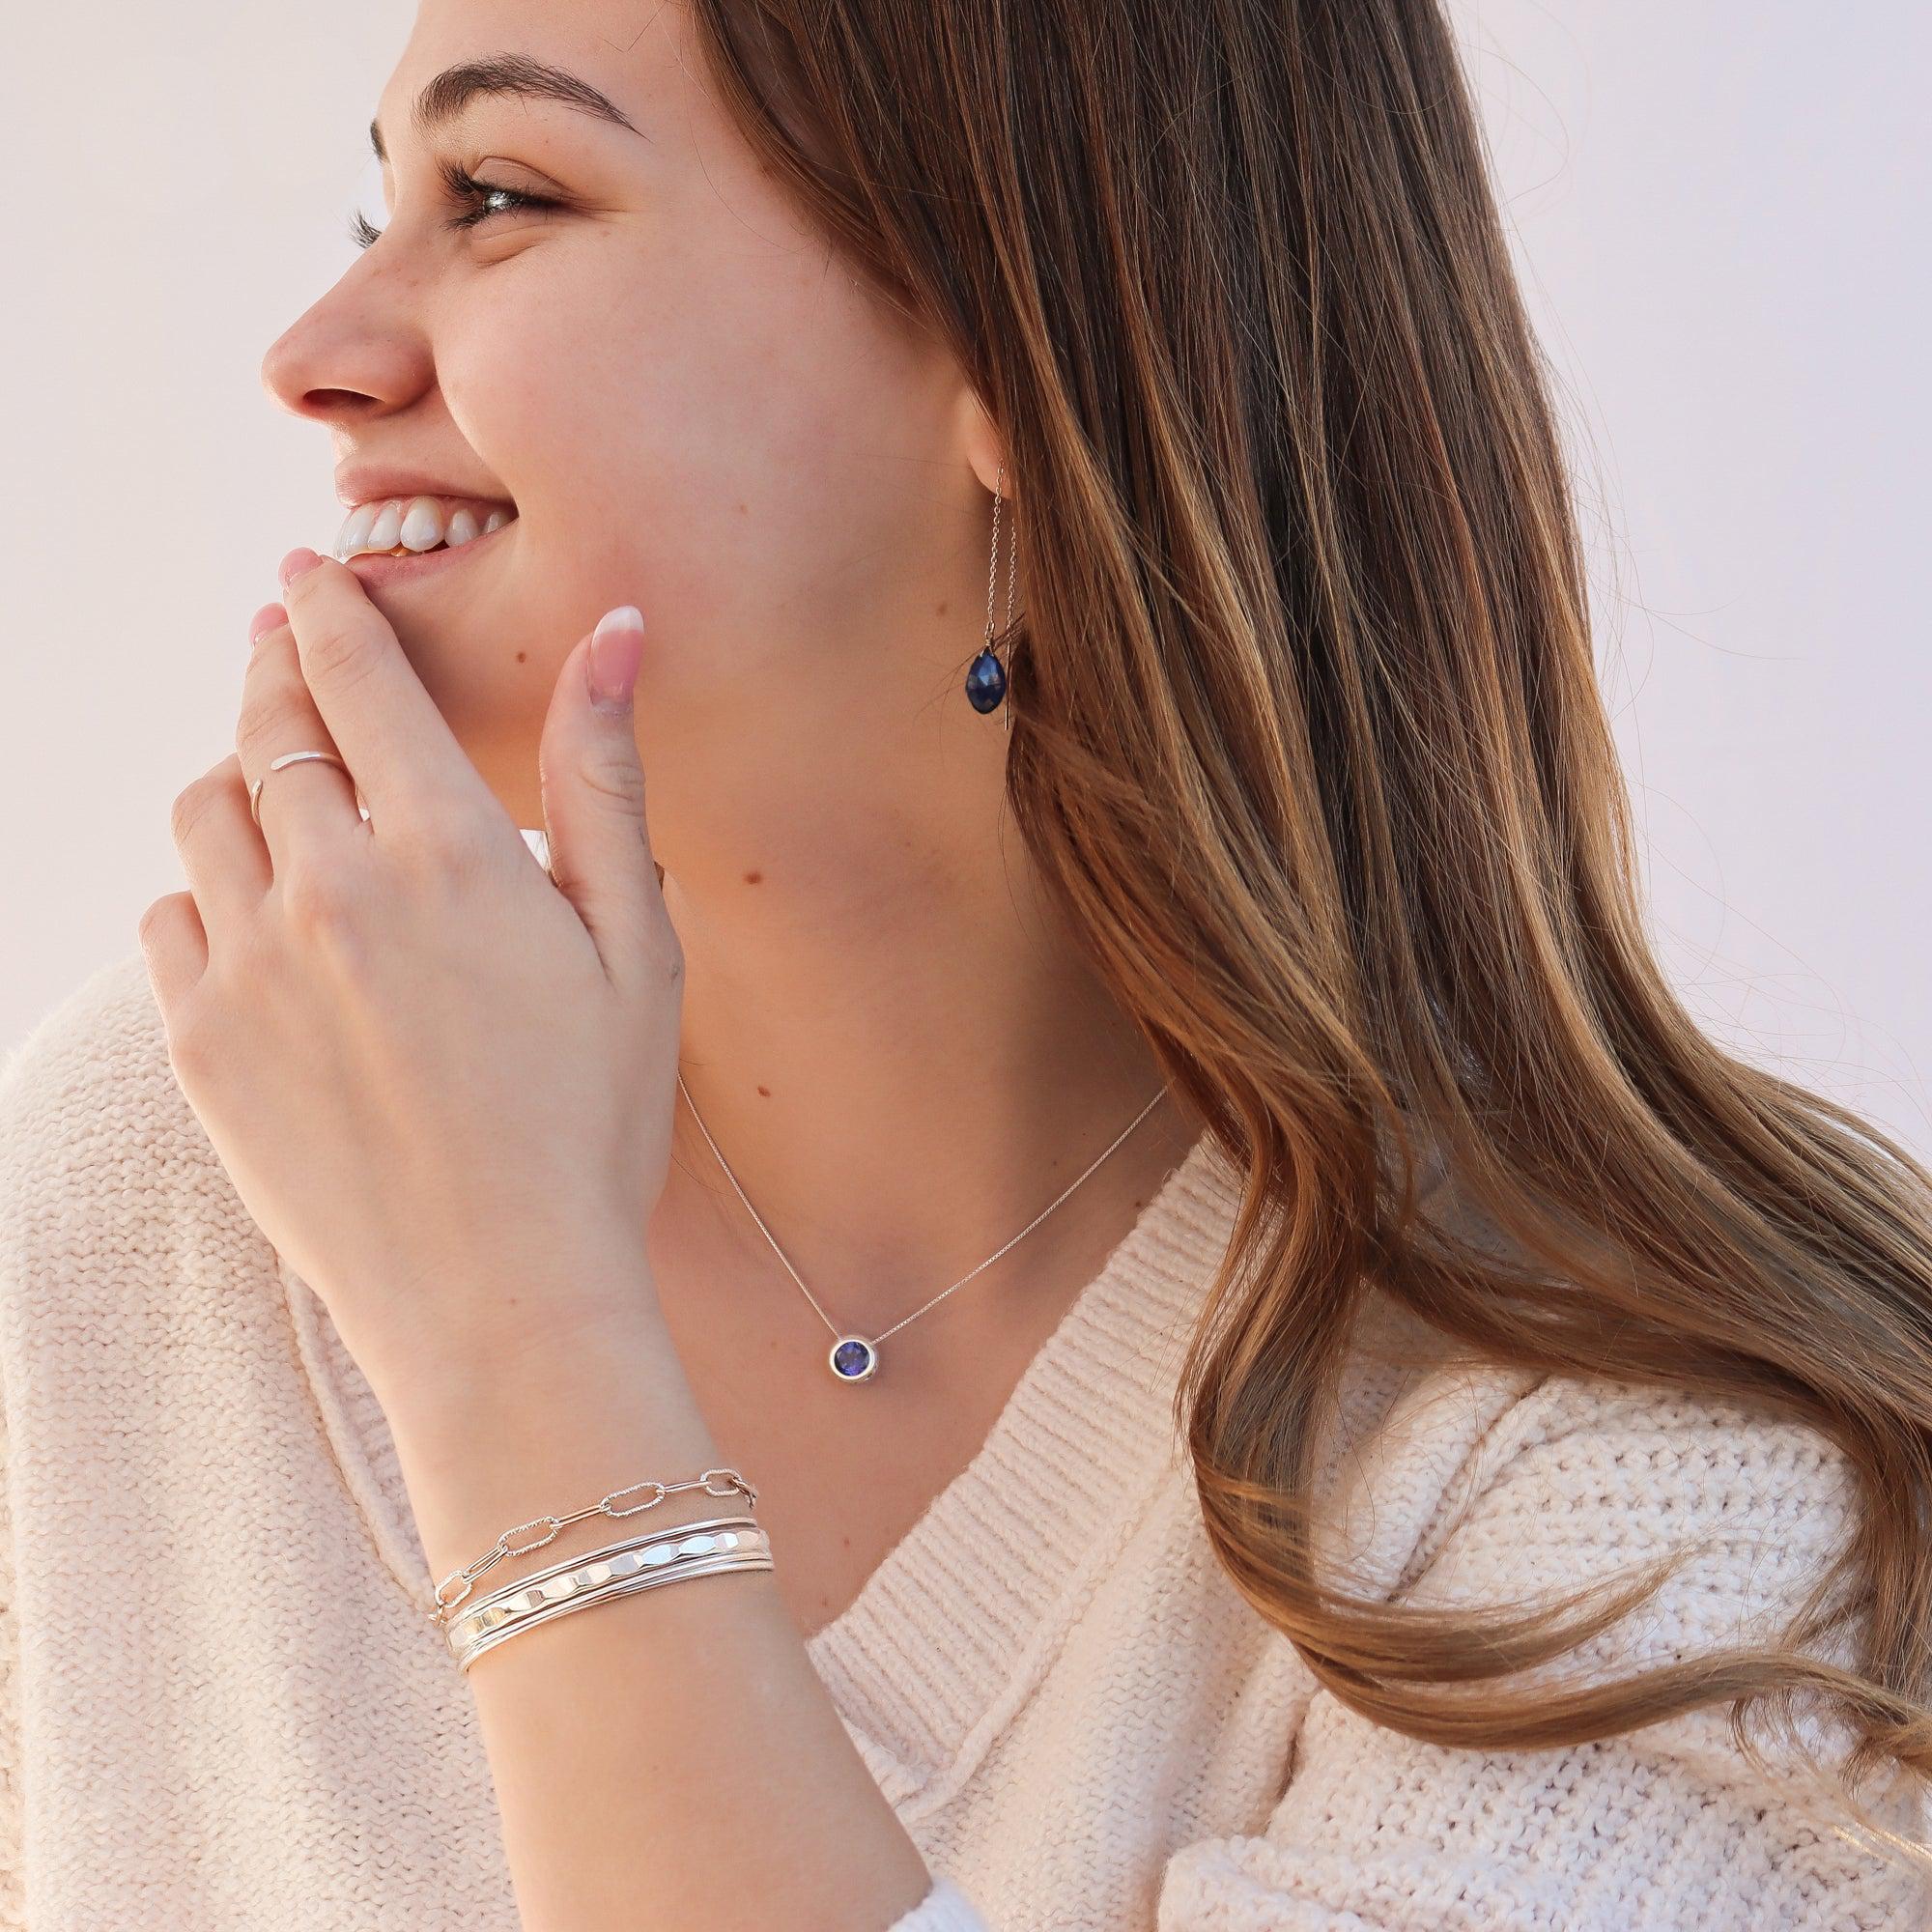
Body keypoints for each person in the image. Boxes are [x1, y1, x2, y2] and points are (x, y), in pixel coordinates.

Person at [2, 0, 1929, 1925]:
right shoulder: (150, 1180)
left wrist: (512, 1336)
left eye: (501, 194)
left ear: (1030, 335)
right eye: (376, 213)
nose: (313, 360)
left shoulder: (1679, 1488)